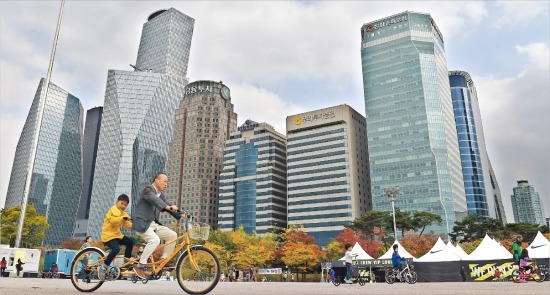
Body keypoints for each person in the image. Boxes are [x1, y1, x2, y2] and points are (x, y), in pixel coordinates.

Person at [132, 172, 179, 279]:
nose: (166, 184)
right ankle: (140, 265)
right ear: (156, 180)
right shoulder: (148, 189)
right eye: (165, 181)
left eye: (167, 182)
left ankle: (163, 260)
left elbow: (168, 205)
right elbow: (155, 200)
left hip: (153, 224)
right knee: (155, 240)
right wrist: (168, 207)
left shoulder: (161, 195)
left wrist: (182, 214)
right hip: (142, 223)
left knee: (172, 235)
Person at [98, 194, 134, 281]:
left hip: (117, 235)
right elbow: (113, 221)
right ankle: (104, 267)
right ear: (117, 202)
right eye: (122, 203)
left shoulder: (123, 214)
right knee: (116, 249)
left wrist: (136, 225)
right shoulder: (112, 210)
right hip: (108, 235)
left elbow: (127, 225)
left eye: (125, 205)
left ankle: (126, 261)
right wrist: (123, 218)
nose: (123, 206)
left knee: (130, 242)